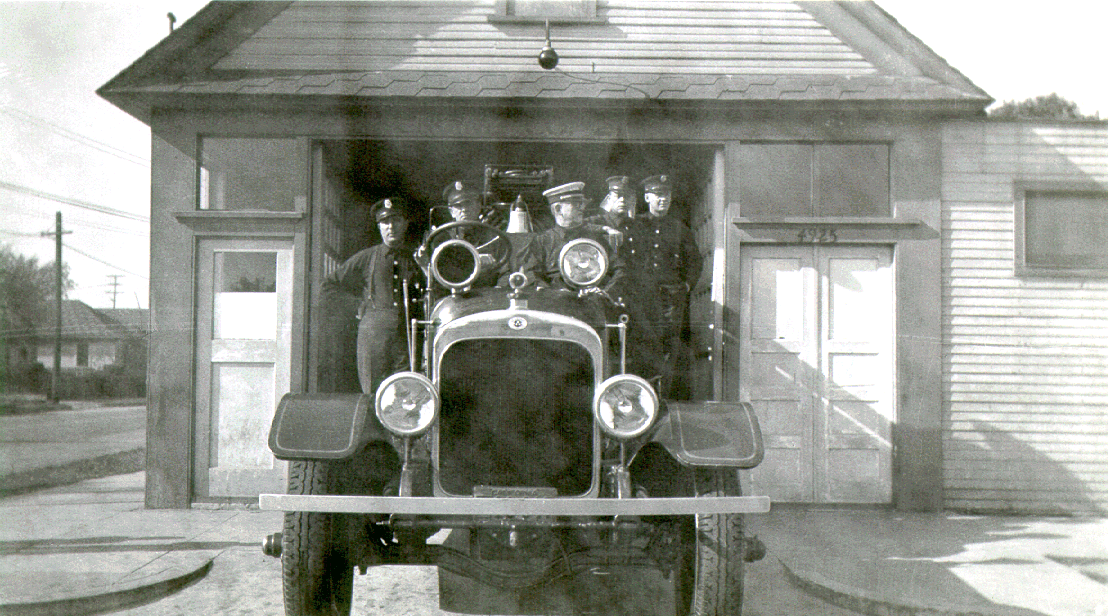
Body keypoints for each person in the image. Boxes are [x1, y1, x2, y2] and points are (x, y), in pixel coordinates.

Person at [322, 198, 422, 394]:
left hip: (407, 338)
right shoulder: (367, 257)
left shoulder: (417, 257)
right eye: (385, 222)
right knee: (373, 393)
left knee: (408, 394)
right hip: (373, 337)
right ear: (379, 226)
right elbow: (329, 285)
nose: (391, 227)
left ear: (405, 223)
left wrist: (425, 265)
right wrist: (358, 306)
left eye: (396, 221)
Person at [639, 174, 703, 397]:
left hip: (670, 301)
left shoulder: (679, 229)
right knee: (641, 344)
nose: (663, 199)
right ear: (647, 197)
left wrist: (686, 286)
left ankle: (663, 396)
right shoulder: (636, 225)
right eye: (657, 195)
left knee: (669, 348)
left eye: (666, 195)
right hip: (642, 298)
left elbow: (695, 261)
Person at [523, 181, 624, 290]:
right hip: (556, 299)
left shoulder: (595, 238)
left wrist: (605, 292)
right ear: (558, 209)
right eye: (576, 204)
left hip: (593, 298)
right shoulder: (542, 241)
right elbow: (531, 274)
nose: (582, 208)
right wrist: (552, 292)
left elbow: (619, 269)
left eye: (582, 204)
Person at [421, 181, 512, 288]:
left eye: (468, 204)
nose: (464, 209)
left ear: (479, 206)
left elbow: (506, 272)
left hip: (487, 294)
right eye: (458, 206)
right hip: (452, 294)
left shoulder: (494, 237)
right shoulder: (441, 239)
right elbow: (438, 277)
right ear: (451, 211)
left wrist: (498, 290)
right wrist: (424, 265)